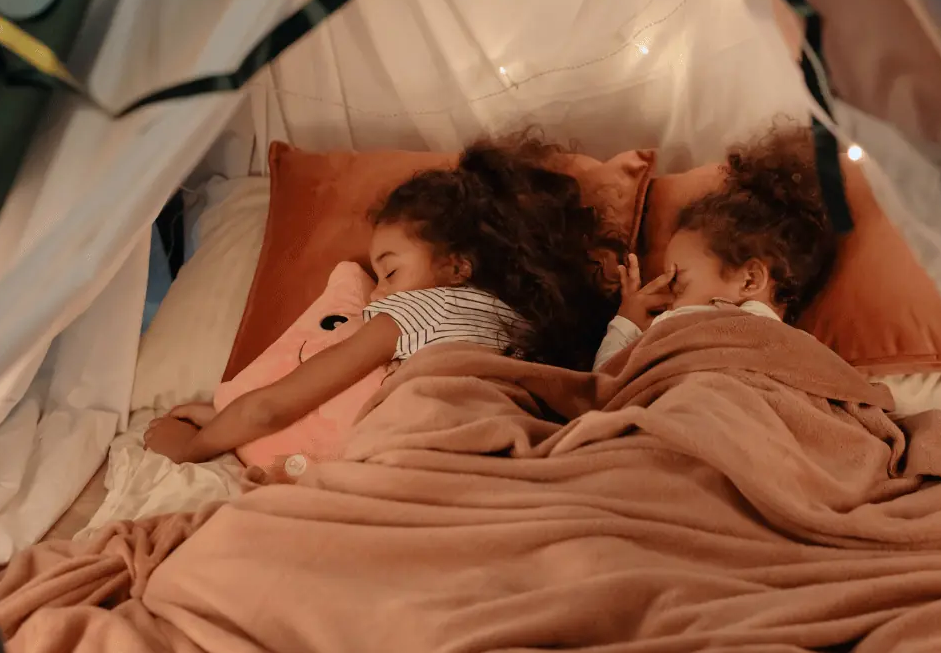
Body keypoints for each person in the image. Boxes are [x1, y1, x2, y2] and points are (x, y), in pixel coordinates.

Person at [144, 135, 618, 464]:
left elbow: (272, 408)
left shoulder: (415, 309)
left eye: (390, 271)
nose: (378, 292)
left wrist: (192, 447)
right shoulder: (525, 326)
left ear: (458, 268)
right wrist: (629, 319)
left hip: (423, 458)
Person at [595, 126, 838, 369]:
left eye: (679, 285)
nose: (666, 303)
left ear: (750, 281)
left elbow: (604, 381)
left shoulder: (683, 325)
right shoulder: (809, 355)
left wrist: (626, 322)